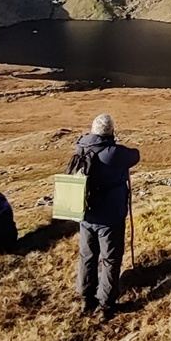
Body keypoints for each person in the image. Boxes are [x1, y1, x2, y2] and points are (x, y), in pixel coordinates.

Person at [70, 113, 140, 319]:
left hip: (85, 214)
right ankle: (106, 304)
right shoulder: (113, 153)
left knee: (87, 256)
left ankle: (86, 298)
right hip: (110, 216)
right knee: (110, 259)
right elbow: (135, 155)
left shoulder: (81, 147)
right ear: (110, 131)